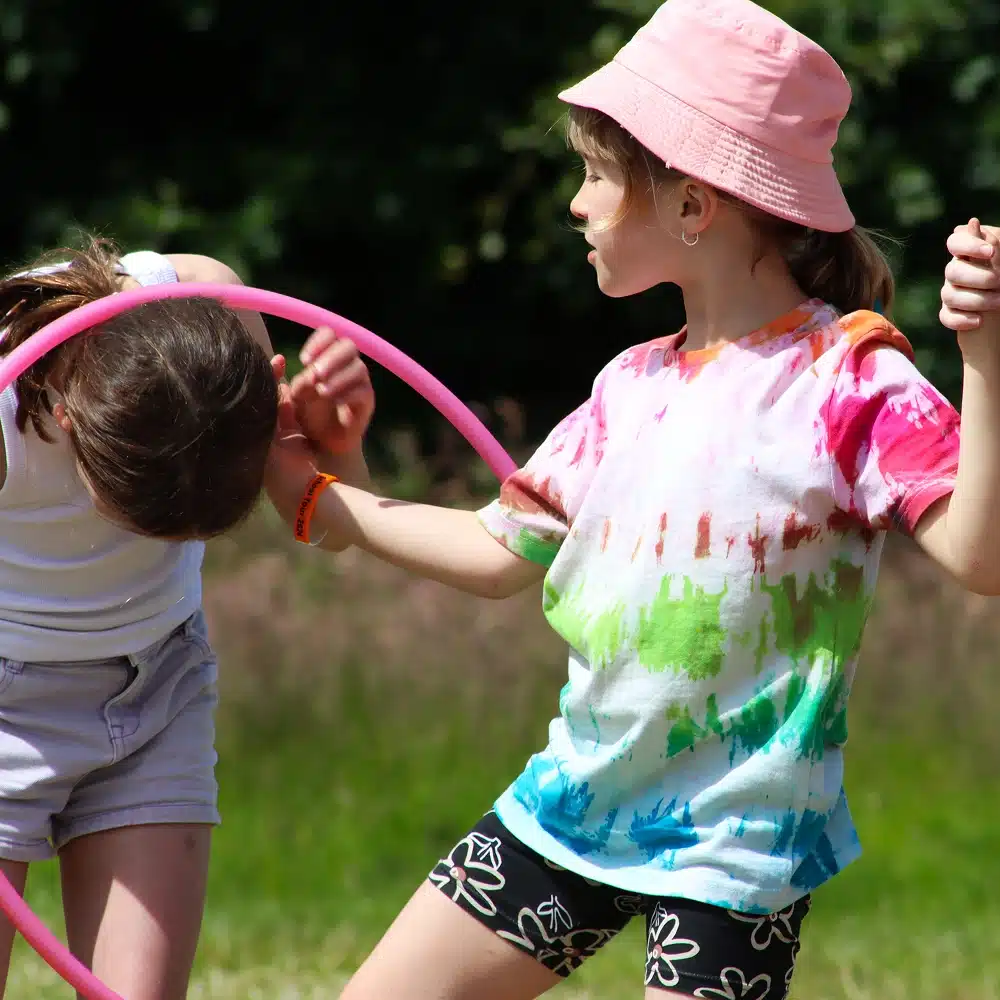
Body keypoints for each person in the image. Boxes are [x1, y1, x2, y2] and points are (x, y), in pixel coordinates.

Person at [267, 2, 1000, 997]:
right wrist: (318, 491)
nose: (575, 203)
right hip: (573, 806)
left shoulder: (848, 376)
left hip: (738, 850)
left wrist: (985, 360)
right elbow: (497, 552)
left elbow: (978, 556)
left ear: (693, 206)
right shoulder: (629, 387)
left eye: (598, 175)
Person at [0, 237, 373, 1000]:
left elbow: (328, 530)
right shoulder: (10, 398)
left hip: (158, 687)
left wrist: (336, 451)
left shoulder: (219, 312)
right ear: (69, 422)